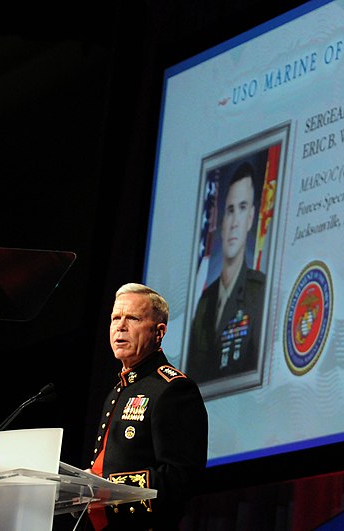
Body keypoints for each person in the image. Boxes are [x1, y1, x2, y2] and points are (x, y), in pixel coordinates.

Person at [86, 283, 208, 530]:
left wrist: (110, 489)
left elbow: (181, 477)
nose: (120, 326)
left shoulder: (172, 389)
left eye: (132, 318)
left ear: (158, 332)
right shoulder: (117, 391)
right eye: (115, 318)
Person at [186, 160, 266, 385]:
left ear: (250, 218)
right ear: (221, 221)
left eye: (242, 208)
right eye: (230, 210)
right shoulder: (204, 301)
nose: (234, 222)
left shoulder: (259, 294)